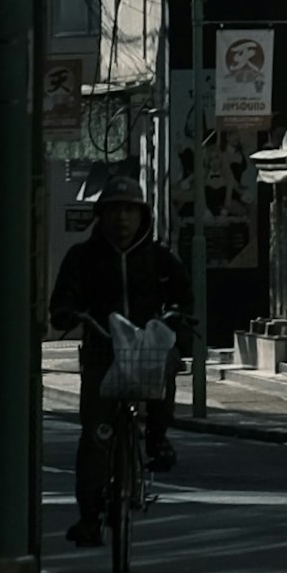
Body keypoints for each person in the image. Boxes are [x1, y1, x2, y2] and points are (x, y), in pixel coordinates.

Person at [50, 172, 182, 546]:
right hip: (101, 352)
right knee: (96, 436)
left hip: (146, 350)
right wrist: (66, 313)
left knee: (166, 363)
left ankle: (157, 439)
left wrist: (176, 323)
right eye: (113, 211)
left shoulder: (159, 259)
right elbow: (63, 299)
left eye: (129, 210)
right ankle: (89, 517)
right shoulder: (82, 258)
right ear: (101, 216)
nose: (121, 219)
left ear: (142, 215)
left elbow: (184, 298)